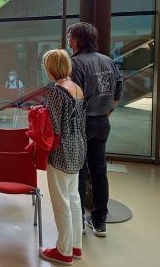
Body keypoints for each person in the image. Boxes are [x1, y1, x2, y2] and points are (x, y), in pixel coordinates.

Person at [67, 22, 123, 237]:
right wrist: (108, 111)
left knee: (79, 172)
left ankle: (79, 220)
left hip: (82, 124)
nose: (68, 40)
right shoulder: (108, 61)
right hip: (102, 123)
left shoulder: (75, 64)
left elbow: (75, 100)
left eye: (70, 36)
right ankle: (100, 222)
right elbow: (118, 89)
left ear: (78, 39)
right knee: (99, 172)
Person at [40, 49, 86, 266]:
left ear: (51, 68)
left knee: (61, 203)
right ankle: (76, 246)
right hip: (78, 145)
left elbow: (54, 128)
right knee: (74, 199)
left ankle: (63, 251)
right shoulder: (77, 88)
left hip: (61, 151)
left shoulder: (56, 92)